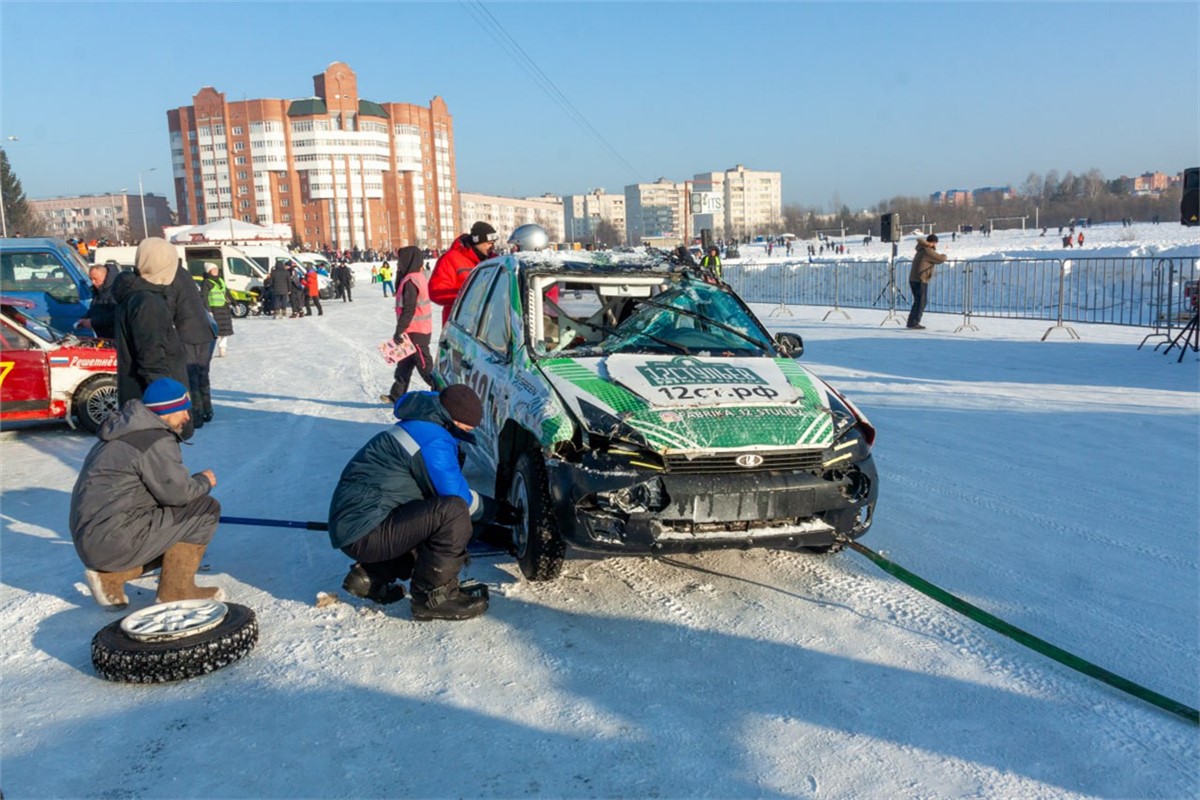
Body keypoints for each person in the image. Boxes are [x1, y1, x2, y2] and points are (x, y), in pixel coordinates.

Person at [327, 386, 515, 621]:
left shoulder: (421, 424)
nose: (470, 430)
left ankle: (372, 576)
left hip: (359, 523)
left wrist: (490, 532)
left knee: (436, 516)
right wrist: (498, 512)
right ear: (453, 418)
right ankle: (434, 599)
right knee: (452, 511)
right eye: (468, 426)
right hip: (365, 529)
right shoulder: (431, 438)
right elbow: (458, 501)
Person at [69, 377, 223, 611]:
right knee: (204, 510)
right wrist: (204, 481)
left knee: (172, 521)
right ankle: (175, 591)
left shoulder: (122, 430)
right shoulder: (154, 439)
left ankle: (110, 578)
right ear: (167, 411)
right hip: (113, 540)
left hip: (92, 539)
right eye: (183, 410)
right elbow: (179, 494)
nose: (187, 417)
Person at [113, 238, 189, 411]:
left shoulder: (135, 295)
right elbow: (151, 359)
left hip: (144, 400)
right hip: (156, 405)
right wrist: (171, 404)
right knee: (160, 439)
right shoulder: (148, 302)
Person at [384, 246, 436, 403]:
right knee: (404, 364)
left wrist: (399, 330)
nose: (399, 264)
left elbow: (409, 309)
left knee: (424, 366)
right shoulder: (413, 277)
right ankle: (396, 395)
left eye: (401, 260)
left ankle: (442, 393)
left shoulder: (411, 281)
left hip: (416, 331)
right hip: (411, 330)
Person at [170, 263, 217, 429]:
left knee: (192, 373)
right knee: (203, 372)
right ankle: (207, 409)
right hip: (206, 331)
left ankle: (196, 414)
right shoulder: (188, 281)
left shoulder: (172, 283)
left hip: (188, 333)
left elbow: (170, 308)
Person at [428, 221, 498, 324]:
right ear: (477, 241)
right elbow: (437, 292)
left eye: (493, 243)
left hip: (488, 326)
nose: (493, 247)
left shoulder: (495, 260)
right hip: (460, 326)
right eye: (489, 243)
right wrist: (469, 295)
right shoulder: (451, 259)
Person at [907, 233, 947, 330]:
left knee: (918, 301)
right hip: (920, 279)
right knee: (921, 302)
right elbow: (940, 259)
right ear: (933, 242)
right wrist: (944, 255)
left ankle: (911, 321)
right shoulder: (927, 251)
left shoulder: (920, 249)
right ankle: (914, 322)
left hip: (914, 278)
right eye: (935, 243)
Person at [77, 262, 120, 339]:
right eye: (91, 279)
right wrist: (85, 318)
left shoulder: (114, 291)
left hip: (113, 336)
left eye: (95, 279)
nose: (93, 282)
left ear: (104, 276)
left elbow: (115, 316)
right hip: (102, 335)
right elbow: (94, 309)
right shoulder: (98, 292)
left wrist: (92, 322)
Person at [201, 263, 234, 358]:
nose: (216, 271)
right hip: (214, 309)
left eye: (216, 269)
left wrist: (234, 303)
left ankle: (222, 348)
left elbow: (227, 293)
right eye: (213, 269)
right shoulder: (206, 282)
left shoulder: (221, 280)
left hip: (224, 308)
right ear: (209, 271)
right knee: (214, 331)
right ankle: (209, 350)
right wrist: (208, 310)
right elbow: (204, 297)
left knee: (225, 331)